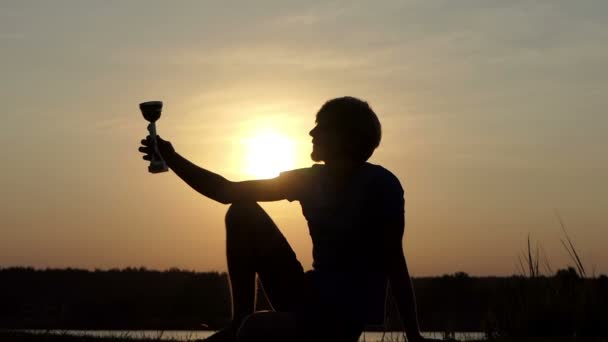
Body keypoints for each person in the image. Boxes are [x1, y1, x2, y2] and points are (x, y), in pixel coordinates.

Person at [139, 97, 429, 342]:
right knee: (242, 211)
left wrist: (413, 335)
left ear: (344, 136)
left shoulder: (382, 184)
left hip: (341, 318)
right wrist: (171, 157)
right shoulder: (308, 180)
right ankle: (237, 320)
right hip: (308, 295)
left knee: (255, 330)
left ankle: (244, 326)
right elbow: (226, 191)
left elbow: (393, 259)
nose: (311, 132)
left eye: (322, 126)